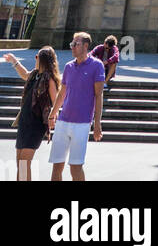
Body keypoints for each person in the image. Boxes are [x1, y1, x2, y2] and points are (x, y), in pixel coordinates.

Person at [47, 32, 105, 181]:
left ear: (86, 46)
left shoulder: (97, 66)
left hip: (82, 123)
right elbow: (62, 93)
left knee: (75, 166)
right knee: (56, 165)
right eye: (72, 44)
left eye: (76, 44)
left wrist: (97, 123)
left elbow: (98, 96)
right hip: (63, 121)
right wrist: (53, 114)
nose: (72, 47)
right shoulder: (68, 66)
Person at [3, 47, 60, 181]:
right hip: (24, 121)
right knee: (20, 161)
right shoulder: (35, 74)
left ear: (43, 59)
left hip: (36, 124)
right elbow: (24, 74)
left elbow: (56, 101)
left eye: (37, 56)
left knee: (24, 162)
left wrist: (53, 117)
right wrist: (14, 61)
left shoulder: (49, 79)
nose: (35, 58)